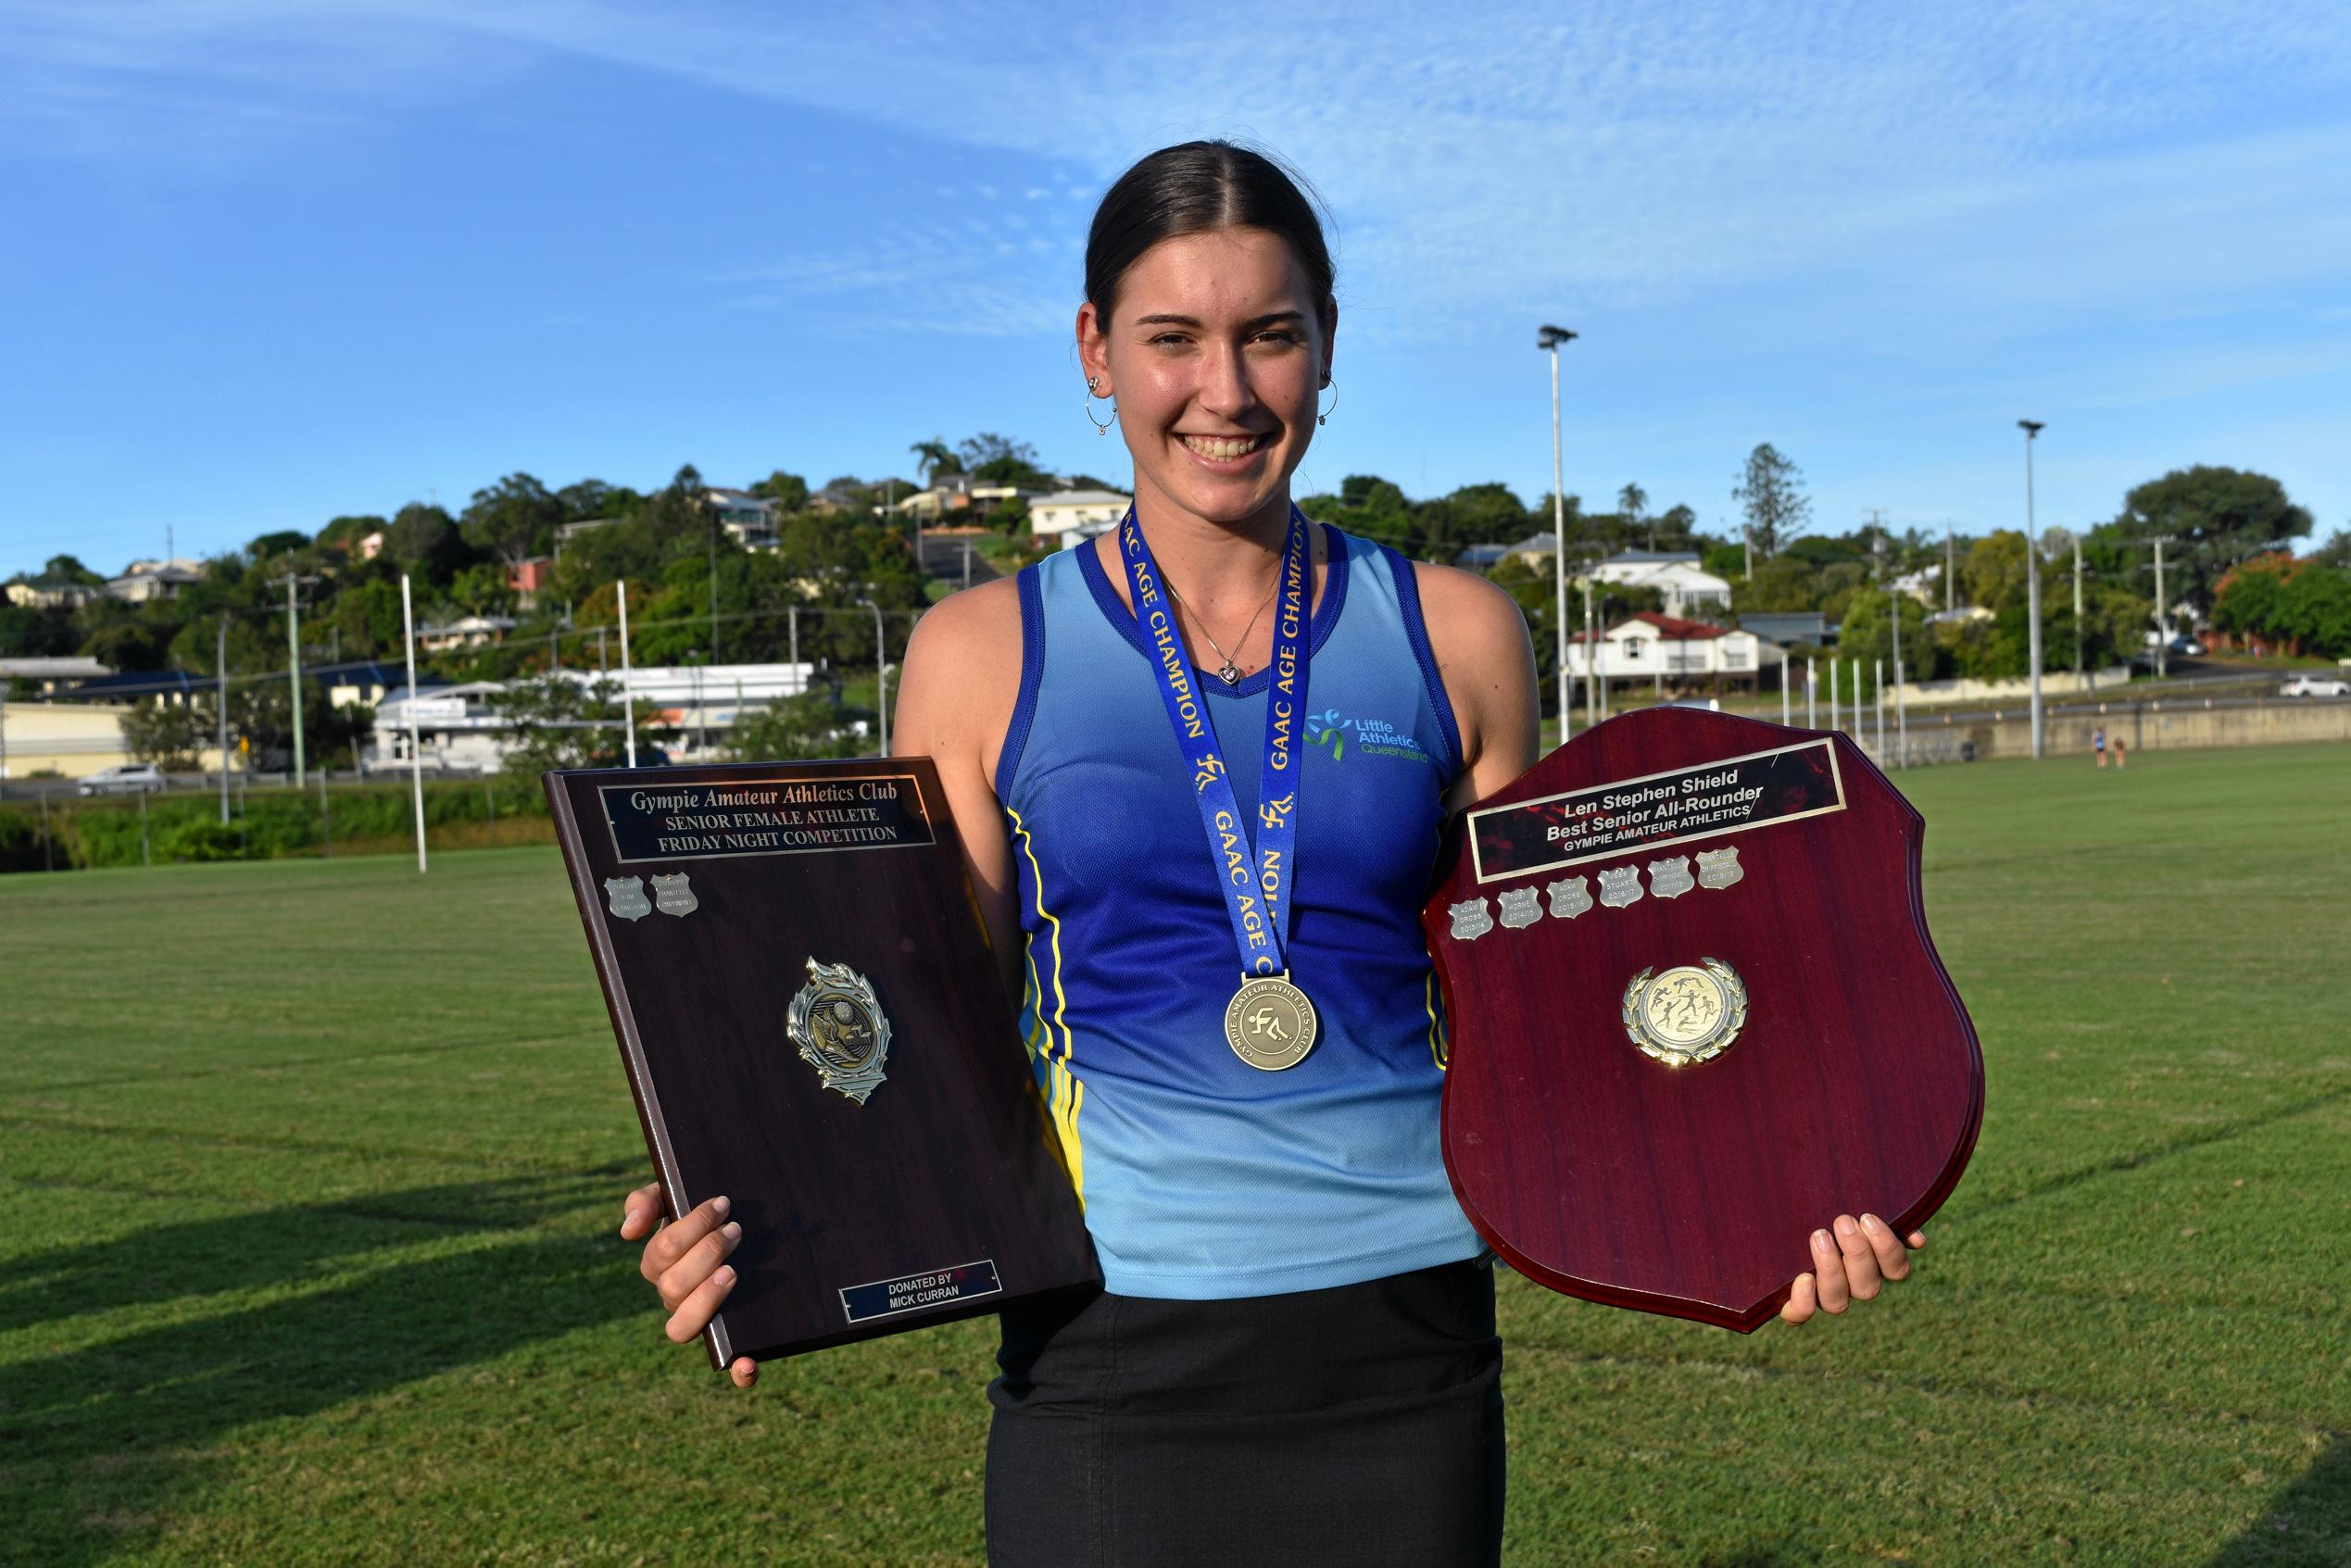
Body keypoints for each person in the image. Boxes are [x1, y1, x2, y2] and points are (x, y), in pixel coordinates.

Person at [618, 140, 1924, 1567]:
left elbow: (1561, 1004)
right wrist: (752, 1192)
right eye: (1171, 339)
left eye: (1269, 337)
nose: (1224, 392)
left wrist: (1773, 1191)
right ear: (1094, 352)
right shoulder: (980, 650)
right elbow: (936, 1028)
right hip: (1108, 1349)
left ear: (1325, 349)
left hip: (1405, 1344)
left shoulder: (1454, 631)